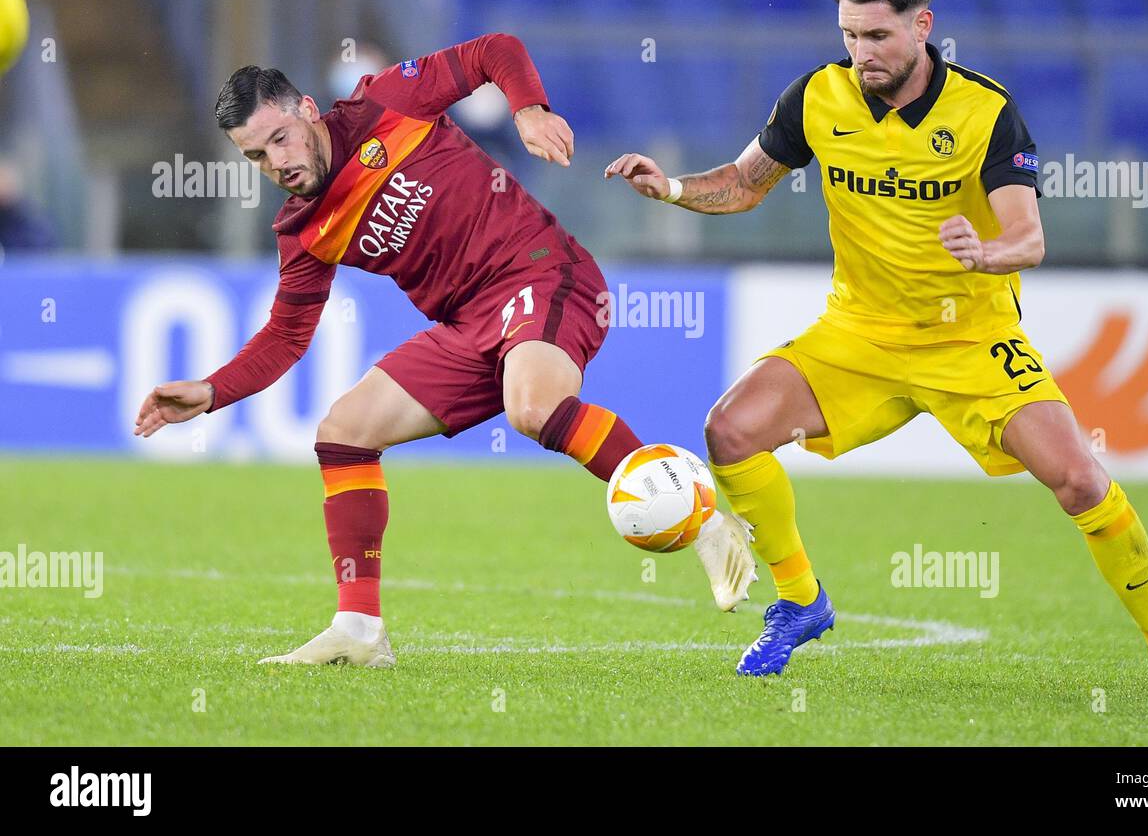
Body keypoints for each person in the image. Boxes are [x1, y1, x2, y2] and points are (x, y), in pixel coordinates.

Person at [605, 0, 1148, 692]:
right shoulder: (816, 98)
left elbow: (1028, 238)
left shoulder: (985, 112)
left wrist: (987, 254)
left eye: (876, 36)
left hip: (971, 337)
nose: (859, 53)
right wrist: (669, 188)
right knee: (730, 431)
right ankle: (801, 602)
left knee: (1081, 482)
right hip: (860, 333)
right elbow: (743, 184)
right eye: (847, 35)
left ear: (921, 24)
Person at [134, 33, 756, 667]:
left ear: (307, 111)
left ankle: (703, 517)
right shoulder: (303, 230)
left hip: (540, 273)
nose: (276, 163)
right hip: (470, 327)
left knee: (533, 407)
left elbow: (495, 50)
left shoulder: (388, 102)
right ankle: (358, 629)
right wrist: (213, 392)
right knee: (343, 432)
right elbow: (287, 336)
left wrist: (529, 109)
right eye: (255, 156)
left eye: (280, 139)